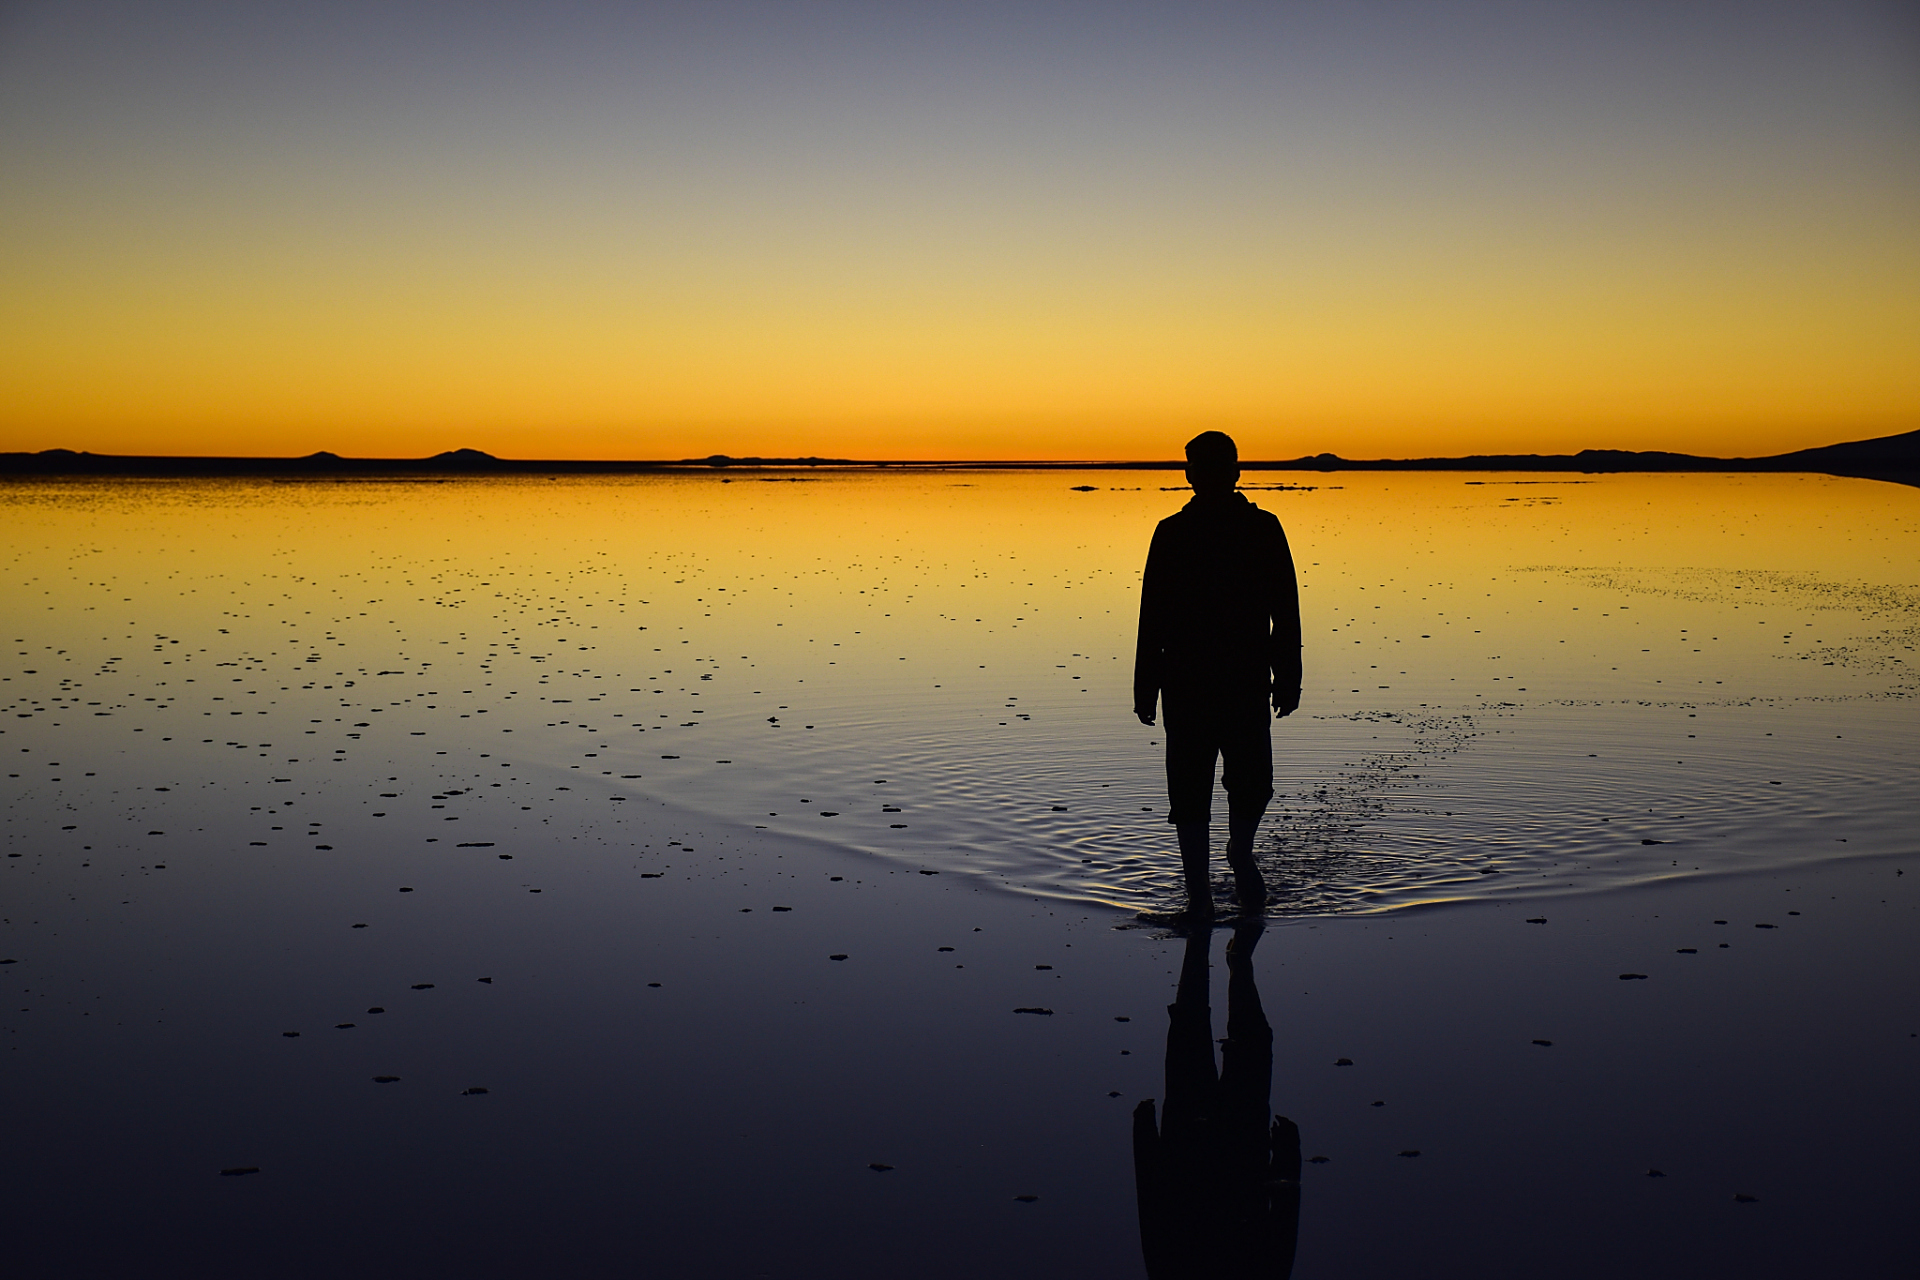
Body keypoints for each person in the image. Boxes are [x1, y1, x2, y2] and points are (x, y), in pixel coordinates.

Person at [1134, 431, 1302, 921]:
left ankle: (1238, 853)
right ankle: (1200, 897)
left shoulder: (1263, 528)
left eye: (1209, 466)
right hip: (1189, 681)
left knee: (1250, 782)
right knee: (1190, 791)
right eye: (1197, 467)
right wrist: (1147, 687)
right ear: (1190, 475)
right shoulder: (1172, 532)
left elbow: (1284, 611)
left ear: (1233, 472)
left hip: (1240, 678)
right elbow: (1153, 617)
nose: (1202, 476)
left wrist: (1287, 676)